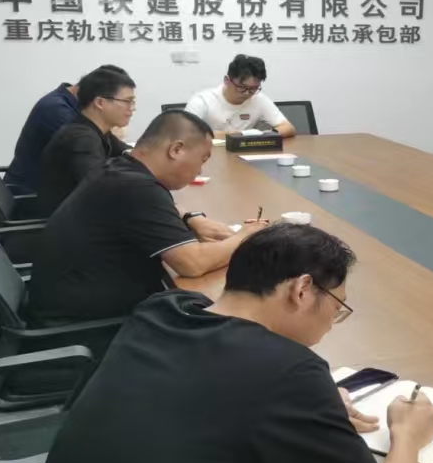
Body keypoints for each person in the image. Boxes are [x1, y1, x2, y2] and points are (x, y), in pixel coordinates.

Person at [18, 223, 433, 463]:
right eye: (337, 306)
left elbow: (223, 392)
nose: (333, 321)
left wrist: (314, 409)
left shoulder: (162, 310)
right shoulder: (290, 372)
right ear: (301, 290)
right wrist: (407, 435)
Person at [27, 110, 267, 325]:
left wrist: (190, 218)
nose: (200, 170)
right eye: (203, 159)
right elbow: (192, 264)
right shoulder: (137, 187)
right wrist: (246, 237)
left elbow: (145, 211)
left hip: (70, 304)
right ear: (176, 150)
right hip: (87, 328)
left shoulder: (120, 169)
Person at [3, 64, 128, 195]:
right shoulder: (58, 111)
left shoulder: (75, 107)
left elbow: (111, 143)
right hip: (29, 194)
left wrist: (130, 152)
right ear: (99, 99)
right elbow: (92, 154)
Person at [37, 68, 136, 216]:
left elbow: (129, 153)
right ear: (100, 102)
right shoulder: (81, 139)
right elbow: (99, 191)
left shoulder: (97, 130)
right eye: (128, 101)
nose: (133, 108)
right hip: (70, 223)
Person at [185, 54, 296, 139]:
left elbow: (288, 128)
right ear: (227, 80)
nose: (247, 93)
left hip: (246, 154)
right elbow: (185, 132)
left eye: (254, 88)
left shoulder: (259, 99)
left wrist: (260, 135)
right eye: (242, 87)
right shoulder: (203, 100)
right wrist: (234, 135)